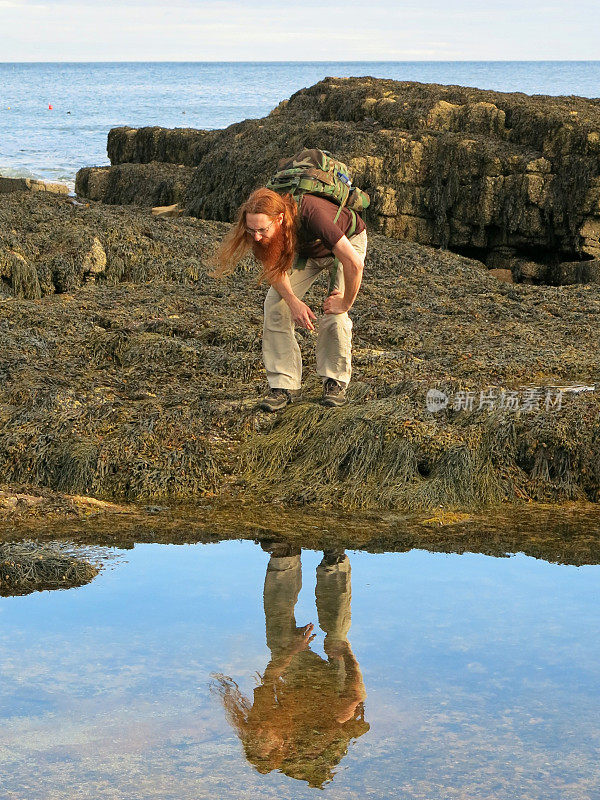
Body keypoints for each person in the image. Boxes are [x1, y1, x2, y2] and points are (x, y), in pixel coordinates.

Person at [211, 544, 369, 788]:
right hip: (335, 688)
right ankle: (334, 559)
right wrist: (345, 651)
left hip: (297, 682)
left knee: (278, 639)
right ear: (283, 741)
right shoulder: (325, 731)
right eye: (265, 735)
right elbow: (356, 693)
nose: (260, 729)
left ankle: (284, 556)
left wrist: (292, 649)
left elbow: (271, 677)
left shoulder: (258, 724)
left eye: (256, 733)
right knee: (336, 634)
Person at [214, 187, 367, 410]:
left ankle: (335, 382)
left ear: (280, 218)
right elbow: (273, 269)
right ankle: (283, 385)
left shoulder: (312, 214)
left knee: (335, 311)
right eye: (251, 229)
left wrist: (345, 303)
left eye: (262, 230)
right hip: (307, 249)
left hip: (346, 242)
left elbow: (355, 263)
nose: (256, 236)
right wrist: (294, 302)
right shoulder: (259, 229)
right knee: (276, 305)